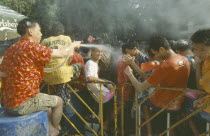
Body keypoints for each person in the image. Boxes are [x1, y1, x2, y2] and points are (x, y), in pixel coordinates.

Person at [0, 18, 81, 136]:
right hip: (22, 103)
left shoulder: (10, 50)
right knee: (59, 101)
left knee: (47, 107)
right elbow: (61, 53)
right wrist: (73, 44)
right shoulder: (31, 47)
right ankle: (55, 130)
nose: (41, 34)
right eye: (39, 30)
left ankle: (48, 130)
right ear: (30, 31)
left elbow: (3, 73)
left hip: (8, 103)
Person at [124, 35, 190, 135]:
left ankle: (147, 132)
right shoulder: (183, 59)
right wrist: (133, 63)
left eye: (155, 54)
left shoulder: (165, 66)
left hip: (163, 103)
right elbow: (149, 77)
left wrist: (130, 74)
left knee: (142, 102)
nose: (155, 57)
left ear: (161, 49)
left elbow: (140, 87)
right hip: (179, 101)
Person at [41, 22, 85, 135]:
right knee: (79, 66)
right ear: (62, 30)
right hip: (63, 75)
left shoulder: (45, 41)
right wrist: (66, 68)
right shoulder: (66, 38)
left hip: (48, 77)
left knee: (56, 96)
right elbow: (70, 57)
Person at [116, 41, 149, 135]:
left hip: (142, 88)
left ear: (135, 48)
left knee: (142, 111)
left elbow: (145, 75)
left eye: (128, 51)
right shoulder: (126, 60)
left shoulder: (143, 58)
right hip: (131, 90)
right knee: (131, 112)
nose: (127, 54)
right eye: (126, 52)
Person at [84, 47, 114, 133]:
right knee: (113, 104)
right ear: (92, 52)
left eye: (101, 52)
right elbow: (89, 78)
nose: (100, 53)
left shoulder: (95, 63)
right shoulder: (90, 63)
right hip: (98, 92)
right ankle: (105, 126)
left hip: (100, 91)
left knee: (113, 103)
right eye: (97, 51)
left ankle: (104, 126)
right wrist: (106, 81)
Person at [191, 29, 210, 122]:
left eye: (202, 49)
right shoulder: (205, 61)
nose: (197, 53)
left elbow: (201, 87)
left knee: (188, 106)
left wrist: (197, 66)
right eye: (195, 49)